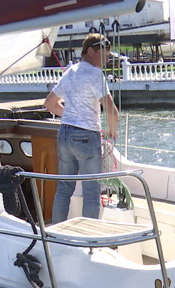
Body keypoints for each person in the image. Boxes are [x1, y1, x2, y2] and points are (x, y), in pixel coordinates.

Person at [44, 33, 119, 223]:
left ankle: (56, 231)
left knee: (63, 188)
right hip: (86, 136)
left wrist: (71, 115)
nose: (107, 58)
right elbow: (111, 111)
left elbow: (50, 104)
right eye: (104, 53)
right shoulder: (95, 74)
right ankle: (89, 241)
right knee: (91, 191)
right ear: (91, 51)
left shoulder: (70, 71)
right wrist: (111, 131)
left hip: (65, 134)